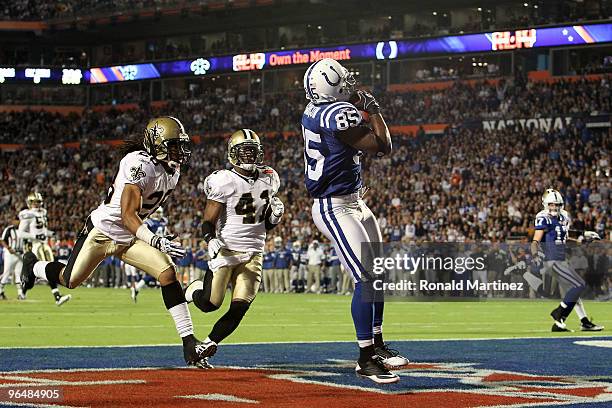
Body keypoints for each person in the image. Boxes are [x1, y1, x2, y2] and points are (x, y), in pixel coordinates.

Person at [20, 116, 212, 368]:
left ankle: (188, 343)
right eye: (173, 145)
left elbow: (138, 216)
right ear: (157, 145)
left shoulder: (172, 171)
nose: (179, 151)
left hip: (129, 238)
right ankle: (33, 265)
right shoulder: (137, 164)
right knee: (70, 279)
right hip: (103, 231)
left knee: (167, 273)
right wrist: (154, 239)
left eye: (180, 145)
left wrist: (151, 238)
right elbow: (127, 215)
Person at [302, 58, 408, 383]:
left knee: (377, 273)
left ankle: (376, 344)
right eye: (343, 80)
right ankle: (365, 359)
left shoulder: (313, 108)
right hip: (335, 206)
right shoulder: (338, 114)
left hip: (353, 200)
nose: (349, 84)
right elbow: (383, 145)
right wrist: (373, 109)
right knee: (365, 276)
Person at [185, 128, 284, 366]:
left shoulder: (270, 177)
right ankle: (194, 289)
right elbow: (207, 221)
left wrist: (274, 217)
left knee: (240, 306)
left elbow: (265, 225)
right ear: (233, 154)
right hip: (227, 249)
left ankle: (209, 343)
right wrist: (211, 240)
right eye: (245, 152)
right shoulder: (223, 180)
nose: (249, 156)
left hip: (254, 252)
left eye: (253, 152)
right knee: (210, 304)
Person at [531, 188, 604, 332]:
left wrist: (583, 236)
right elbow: (535, 241)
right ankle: (559, 313)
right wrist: (535, 254)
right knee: (579, 285)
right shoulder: (542, 217)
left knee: (574, 292)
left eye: (557, 205)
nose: (555, 207)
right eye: (552, 204)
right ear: (545, 204)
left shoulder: (563, 216)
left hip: (561, 259)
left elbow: (562, 237)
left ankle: (580, 322)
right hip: (552, 261)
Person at [0, 216, 25, 300]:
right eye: (15, 220)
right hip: (10, 254)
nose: (16, 222)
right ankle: (1, 291)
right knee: (7, 272)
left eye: (17, 220)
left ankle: (20, 294)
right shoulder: (9, 229)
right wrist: (8, 248)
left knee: (18, 274)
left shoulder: (23, 229)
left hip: (20, 254)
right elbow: (2, 240)